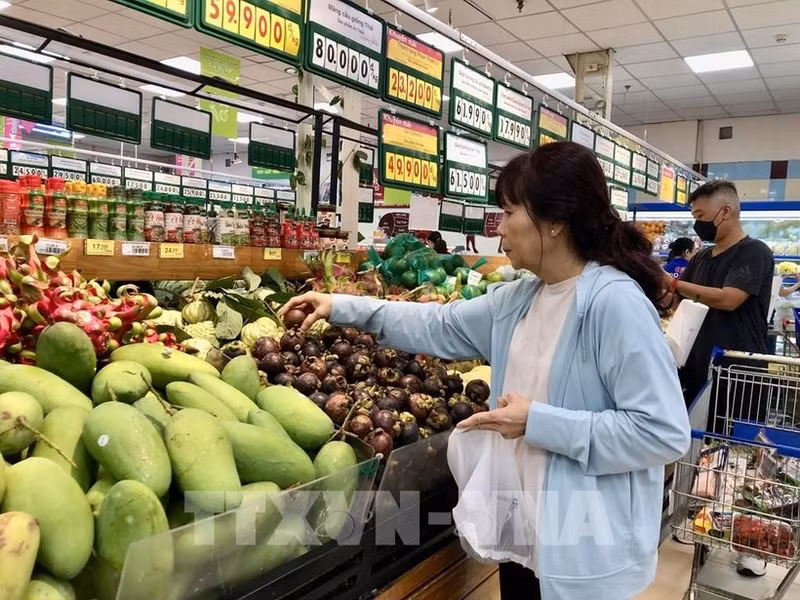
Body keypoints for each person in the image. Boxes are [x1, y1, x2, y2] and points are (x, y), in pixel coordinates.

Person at [282, 142, 690, 600]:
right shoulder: (522, 299)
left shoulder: (614, 304)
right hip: (524, 531)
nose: (500, 229)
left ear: (554, 221)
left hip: (582, 546)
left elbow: (662, 432)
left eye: (509, 212)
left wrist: (537, 422)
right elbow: (437, 323)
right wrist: (339, 305)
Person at [663, 181, 773, 577]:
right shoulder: (704, 257)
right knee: (701, 449)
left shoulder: (754, 253)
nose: (698, 225)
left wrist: (674, 283)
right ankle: (702, 519)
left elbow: (728, 298)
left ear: (724, 212)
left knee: (740, 457)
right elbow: (680, 302)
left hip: (741, 373)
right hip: (698, 368)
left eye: (700, 217)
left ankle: (750, 542)